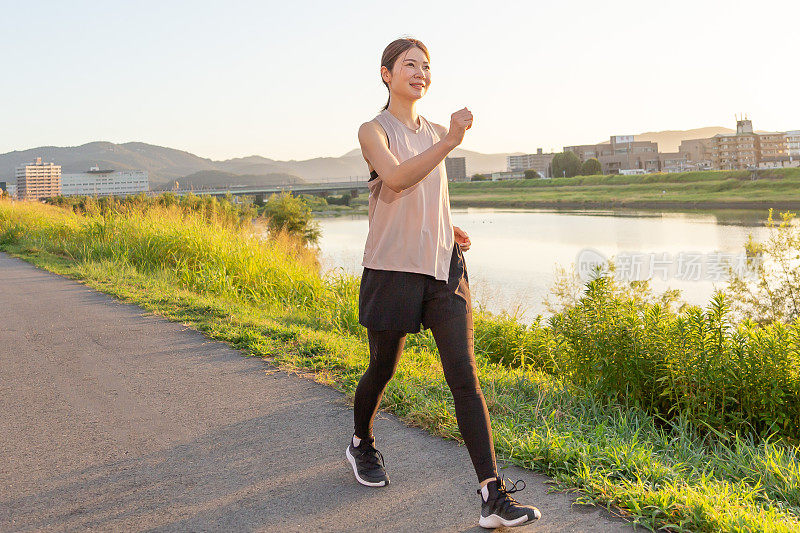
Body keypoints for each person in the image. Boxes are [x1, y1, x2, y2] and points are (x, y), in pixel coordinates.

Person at [344, 37, 541, 529]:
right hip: (392, 267)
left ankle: (492, 496)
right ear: (386, 74)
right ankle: (361, 443)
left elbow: (428, 193)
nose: (420, 72)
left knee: (465, 378)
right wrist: (450, 143)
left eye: (426, 66)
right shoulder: (374, 130)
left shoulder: (433, 130)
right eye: (409, 64)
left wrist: (445, 227)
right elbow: (395, 181)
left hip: (443, 269)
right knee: (381, 370)